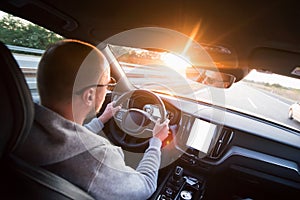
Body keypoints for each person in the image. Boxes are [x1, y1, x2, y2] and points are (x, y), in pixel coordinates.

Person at [14, 39, 169, 200]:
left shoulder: (16, 124)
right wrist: (156, 142)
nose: (108, 89)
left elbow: (65, 138)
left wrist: (101, 119)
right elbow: (146, 186)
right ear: (89, 95)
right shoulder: (98, 157)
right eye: (107, 85)